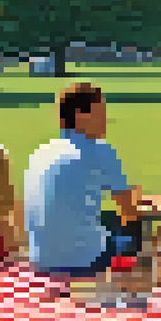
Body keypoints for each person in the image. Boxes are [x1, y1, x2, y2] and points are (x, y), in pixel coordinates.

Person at [22, 83, 143, 276]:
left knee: (103, 221)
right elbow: (129, 212)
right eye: (101, 112)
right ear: (80, 115)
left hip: (41, 261)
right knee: (136, 240)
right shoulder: (100, 150)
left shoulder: (40, 153)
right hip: (85, 261)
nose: (106, 120)